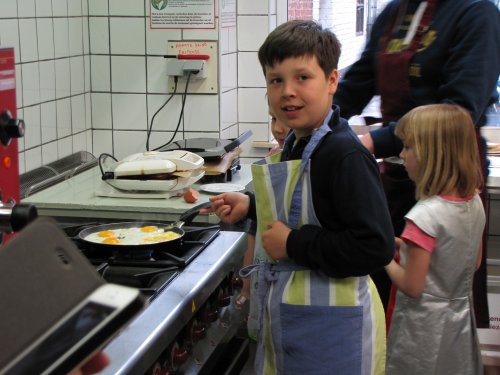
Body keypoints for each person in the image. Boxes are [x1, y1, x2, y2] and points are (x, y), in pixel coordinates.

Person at [205, 20, 394, 374]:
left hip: (332, 334)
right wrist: (253, 207)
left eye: (302, 78)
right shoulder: (297, 142)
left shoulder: (344, 155)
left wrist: (294, 244)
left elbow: (374, 247)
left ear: (332, 81)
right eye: (276, 80)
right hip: (294, 322)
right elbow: (304, 208)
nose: (287, 91)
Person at [333, 0, 500, 326]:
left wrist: (374, 141)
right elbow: (357, 83)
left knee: (438, 297)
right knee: (384, 299)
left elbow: (460, 110)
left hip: (448, 179)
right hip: (397, 175)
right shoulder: (396, 11)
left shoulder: (476, 13)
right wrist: (317, 120)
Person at [385, 104, 485, 374]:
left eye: (407, 147)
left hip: (422, 333)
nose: (401, 154)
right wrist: (402, 245)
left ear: (432, 154)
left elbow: (412, 285)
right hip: (459, 323)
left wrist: (383, 256)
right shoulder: (474, 201)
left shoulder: (423, 217)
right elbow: (470, 262)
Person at [235, 109, 291, 343]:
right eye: (273, 119)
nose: (277, 128)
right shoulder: (274, 160)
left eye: (284, 120)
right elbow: (254, 228)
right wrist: (246, 287)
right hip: (265, 271)